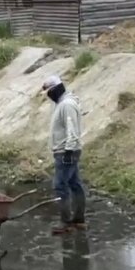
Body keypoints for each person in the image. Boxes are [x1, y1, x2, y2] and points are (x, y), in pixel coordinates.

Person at [41, 75, 86, 234]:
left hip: (67, 152)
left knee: (60, 186)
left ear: (55, 89)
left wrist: (68, 151)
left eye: (49, 92)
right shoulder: (61, 103)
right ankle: (79, 221)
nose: (48, 96)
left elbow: (71, 129)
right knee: (74, 184)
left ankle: (66, 223)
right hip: (65, 151)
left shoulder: (66, 105)